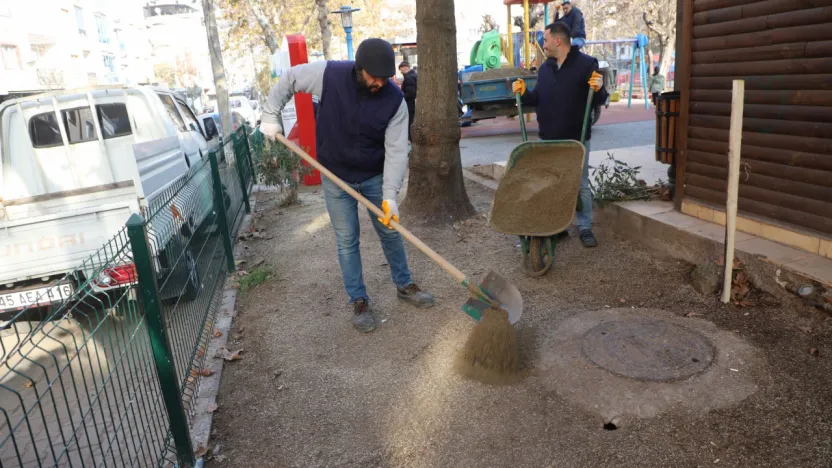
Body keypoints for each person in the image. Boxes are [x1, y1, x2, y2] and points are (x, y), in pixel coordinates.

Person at [258, 38, 435, 333]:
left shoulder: (394, 101)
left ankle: (404, 285)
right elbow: (289, 78)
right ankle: (359, 301)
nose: (379, 82)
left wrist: (390, 196)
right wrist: (269, 113)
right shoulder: (329, 75)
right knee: (347, 240)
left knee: (390, 232)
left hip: (373, 175)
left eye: (385, 77)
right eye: (373, 76)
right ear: (360, 68)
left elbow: (395, 150)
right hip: (335, 174)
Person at [511, 22, 608, 248]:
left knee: (580, 184)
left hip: (576, 139)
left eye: (545, 40)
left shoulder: (586, 64)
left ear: (557, 40)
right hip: (548, 138)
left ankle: (584, 227)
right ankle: (558, 225)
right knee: (553, 185)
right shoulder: (545, 69)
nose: (543, 44)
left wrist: (599, 88)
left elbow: (598, 100)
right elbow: (537, 99)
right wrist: (524, 94)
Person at [399, 61, 417, 141]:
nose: (400, 72)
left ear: (405, 68)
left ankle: (411, 138)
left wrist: (402, 97)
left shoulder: (409, 78)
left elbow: (410, 93)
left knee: (410, 121)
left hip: (410, 104)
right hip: (413, 103)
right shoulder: (414, 75)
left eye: (401, 70)